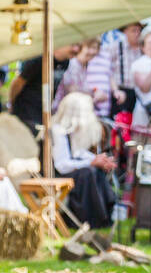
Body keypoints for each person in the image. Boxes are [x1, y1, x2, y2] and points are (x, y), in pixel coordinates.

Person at [51, 92, 117, 228]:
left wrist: (99, 160)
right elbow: (62, 165)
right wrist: (91, 162)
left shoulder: (73, 132)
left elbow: (78, 153)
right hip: (57, 175)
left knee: (95, 172)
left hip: (73, 172)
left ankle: (102, 217)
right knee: (88, 174)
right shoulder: (58, 131)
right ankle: (84, 219)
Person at [7, 44, 78, 137]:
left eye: (79, 47)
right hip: (25, 112)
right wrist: (12, 104)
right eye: (73, 45)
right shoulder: (39, 59)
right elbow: (17, 83)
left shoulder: (65, 62)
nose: (76, 49)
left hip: (43, 113)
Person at [54, 39, 97, 111]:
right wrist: (93, 94)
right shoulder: (73, 63)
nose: (92, 51)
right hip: (63, 111)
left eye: (95, 48)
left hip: (73, 111)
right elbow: (72, 90)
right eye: (89, 47)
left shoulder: (83, 66)